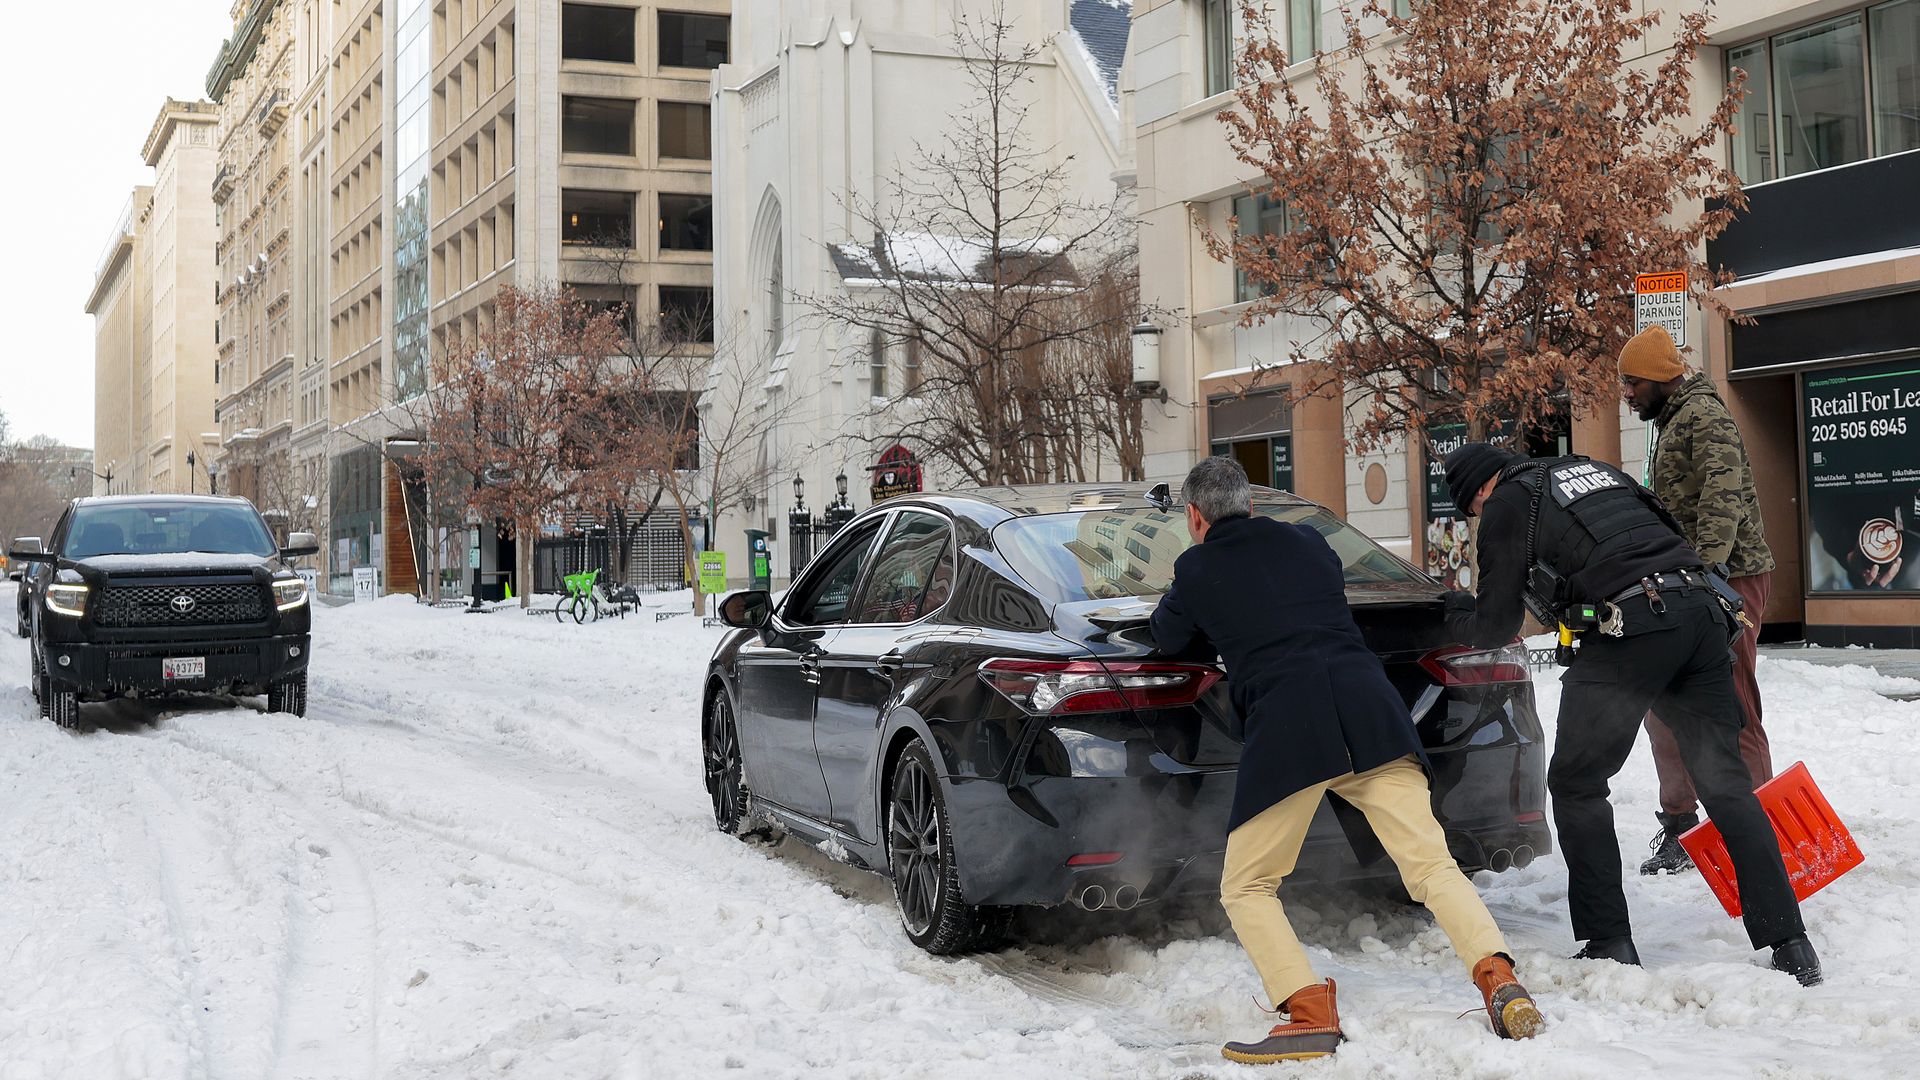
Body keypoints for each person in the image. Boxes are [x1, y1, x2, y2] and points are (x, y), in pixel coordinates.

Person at [1150, 456, 1542, 1064]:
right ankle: (1499, 979)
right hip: (1373, 714)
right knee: (1431, 866)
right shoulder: (1312, 545)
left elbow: (1167, 636)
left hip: (1290, 730)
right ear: (1253, 506)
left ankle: (1307, 1012)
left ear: (1195, 518)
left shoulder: (1197, 568)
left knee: (1248, 885)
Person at [1440, 442, 1821, 985]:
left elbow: (1495, 624)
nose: (1480, 518)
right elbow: (1668, 532)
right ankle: (1791, 943)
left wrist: (1452, 617)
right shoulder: (1595, 472)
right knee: (1725, 783)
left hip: (1632, 625)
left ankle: (1609, 941)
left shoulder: (1507, 500)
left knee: (1576, 782)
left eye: (1472, 512)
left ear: (1480, 489)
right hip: (1701, 612)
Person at [1621, 325, 1774, 874]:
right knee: (1665, 704)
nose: (1628, 392)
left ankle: (1760, 830)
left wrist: (1710, 572)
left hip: (1730, 579)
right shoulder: (1671, 421)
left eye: (1634, 382)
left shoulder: (1705, 416)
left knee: (1731, 703)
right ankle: (1684, 827)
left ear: (1661, 378)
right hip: (1685, 582)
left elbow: (1722, 498)